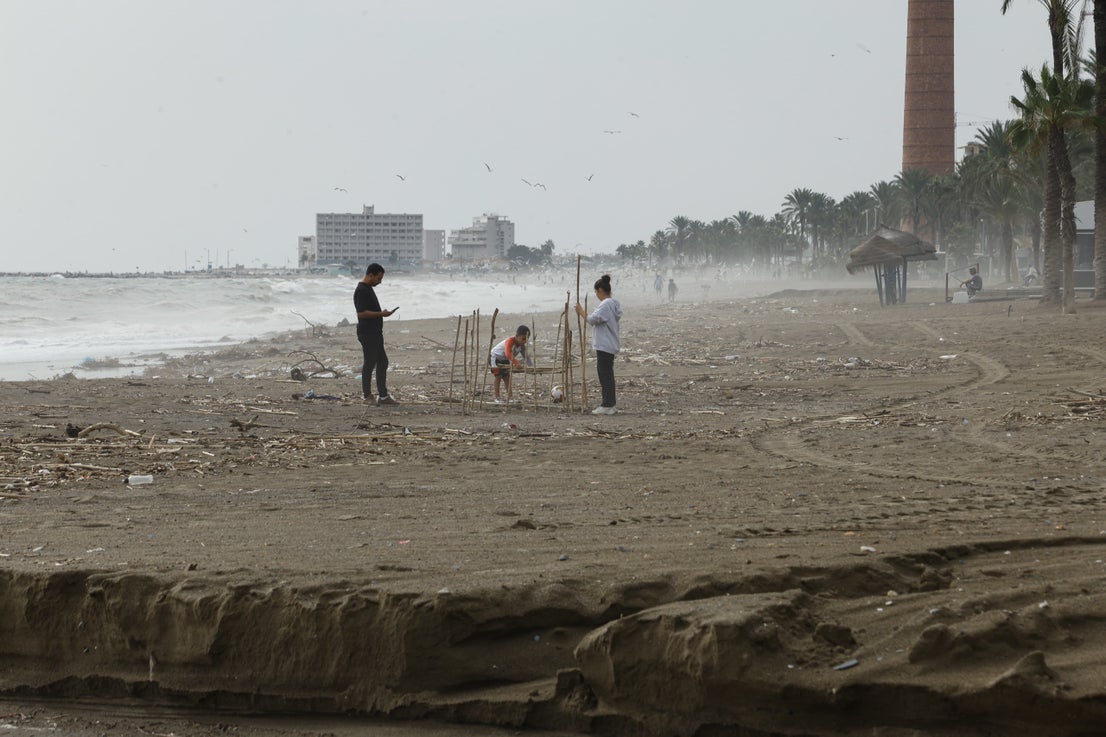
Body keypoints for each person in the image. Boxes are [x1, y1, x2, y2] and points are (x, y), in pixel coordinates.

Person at [575, 274, 623, 415]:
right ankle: (610, 403)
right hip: (609, 344)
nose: (596, 295)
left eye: (596, 292)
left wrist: (581, 312)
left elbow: (593, 320)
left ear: (600, 290)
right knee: (608, 374)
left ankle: (607, 404)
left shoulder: (606, 304)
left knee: (604, 374)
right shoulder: (613, 304)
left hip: (604, 344)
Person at [353, 263, 399, 405]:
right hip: (368, 333)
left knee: (382, 362)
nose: (380, 282)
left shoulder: (368, 289)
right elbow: (361, 313)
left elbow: (369, 310)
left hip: (375, 333)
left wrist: (381, 314)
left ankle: (383, 396)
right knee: (370, 363)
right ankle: (367, 396)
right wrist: (381, 314)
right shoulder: (362, 290)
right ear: (370, 275)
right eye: (379, 278)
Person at [489, 325, 533, 403]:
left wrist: (532, 368)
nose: (524, 341)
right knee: (498, 377)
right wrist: (516, 363)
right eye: (523, 339)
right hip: (495, 358)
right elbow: (508, 353)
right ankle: (497, 397)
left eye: (526, 339)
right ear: (517, 336)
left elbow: (526, 357)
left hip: (505, 359)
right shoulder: (510, 341)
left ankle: (510, 397)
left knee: (507, 378)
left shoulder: (522, 346)